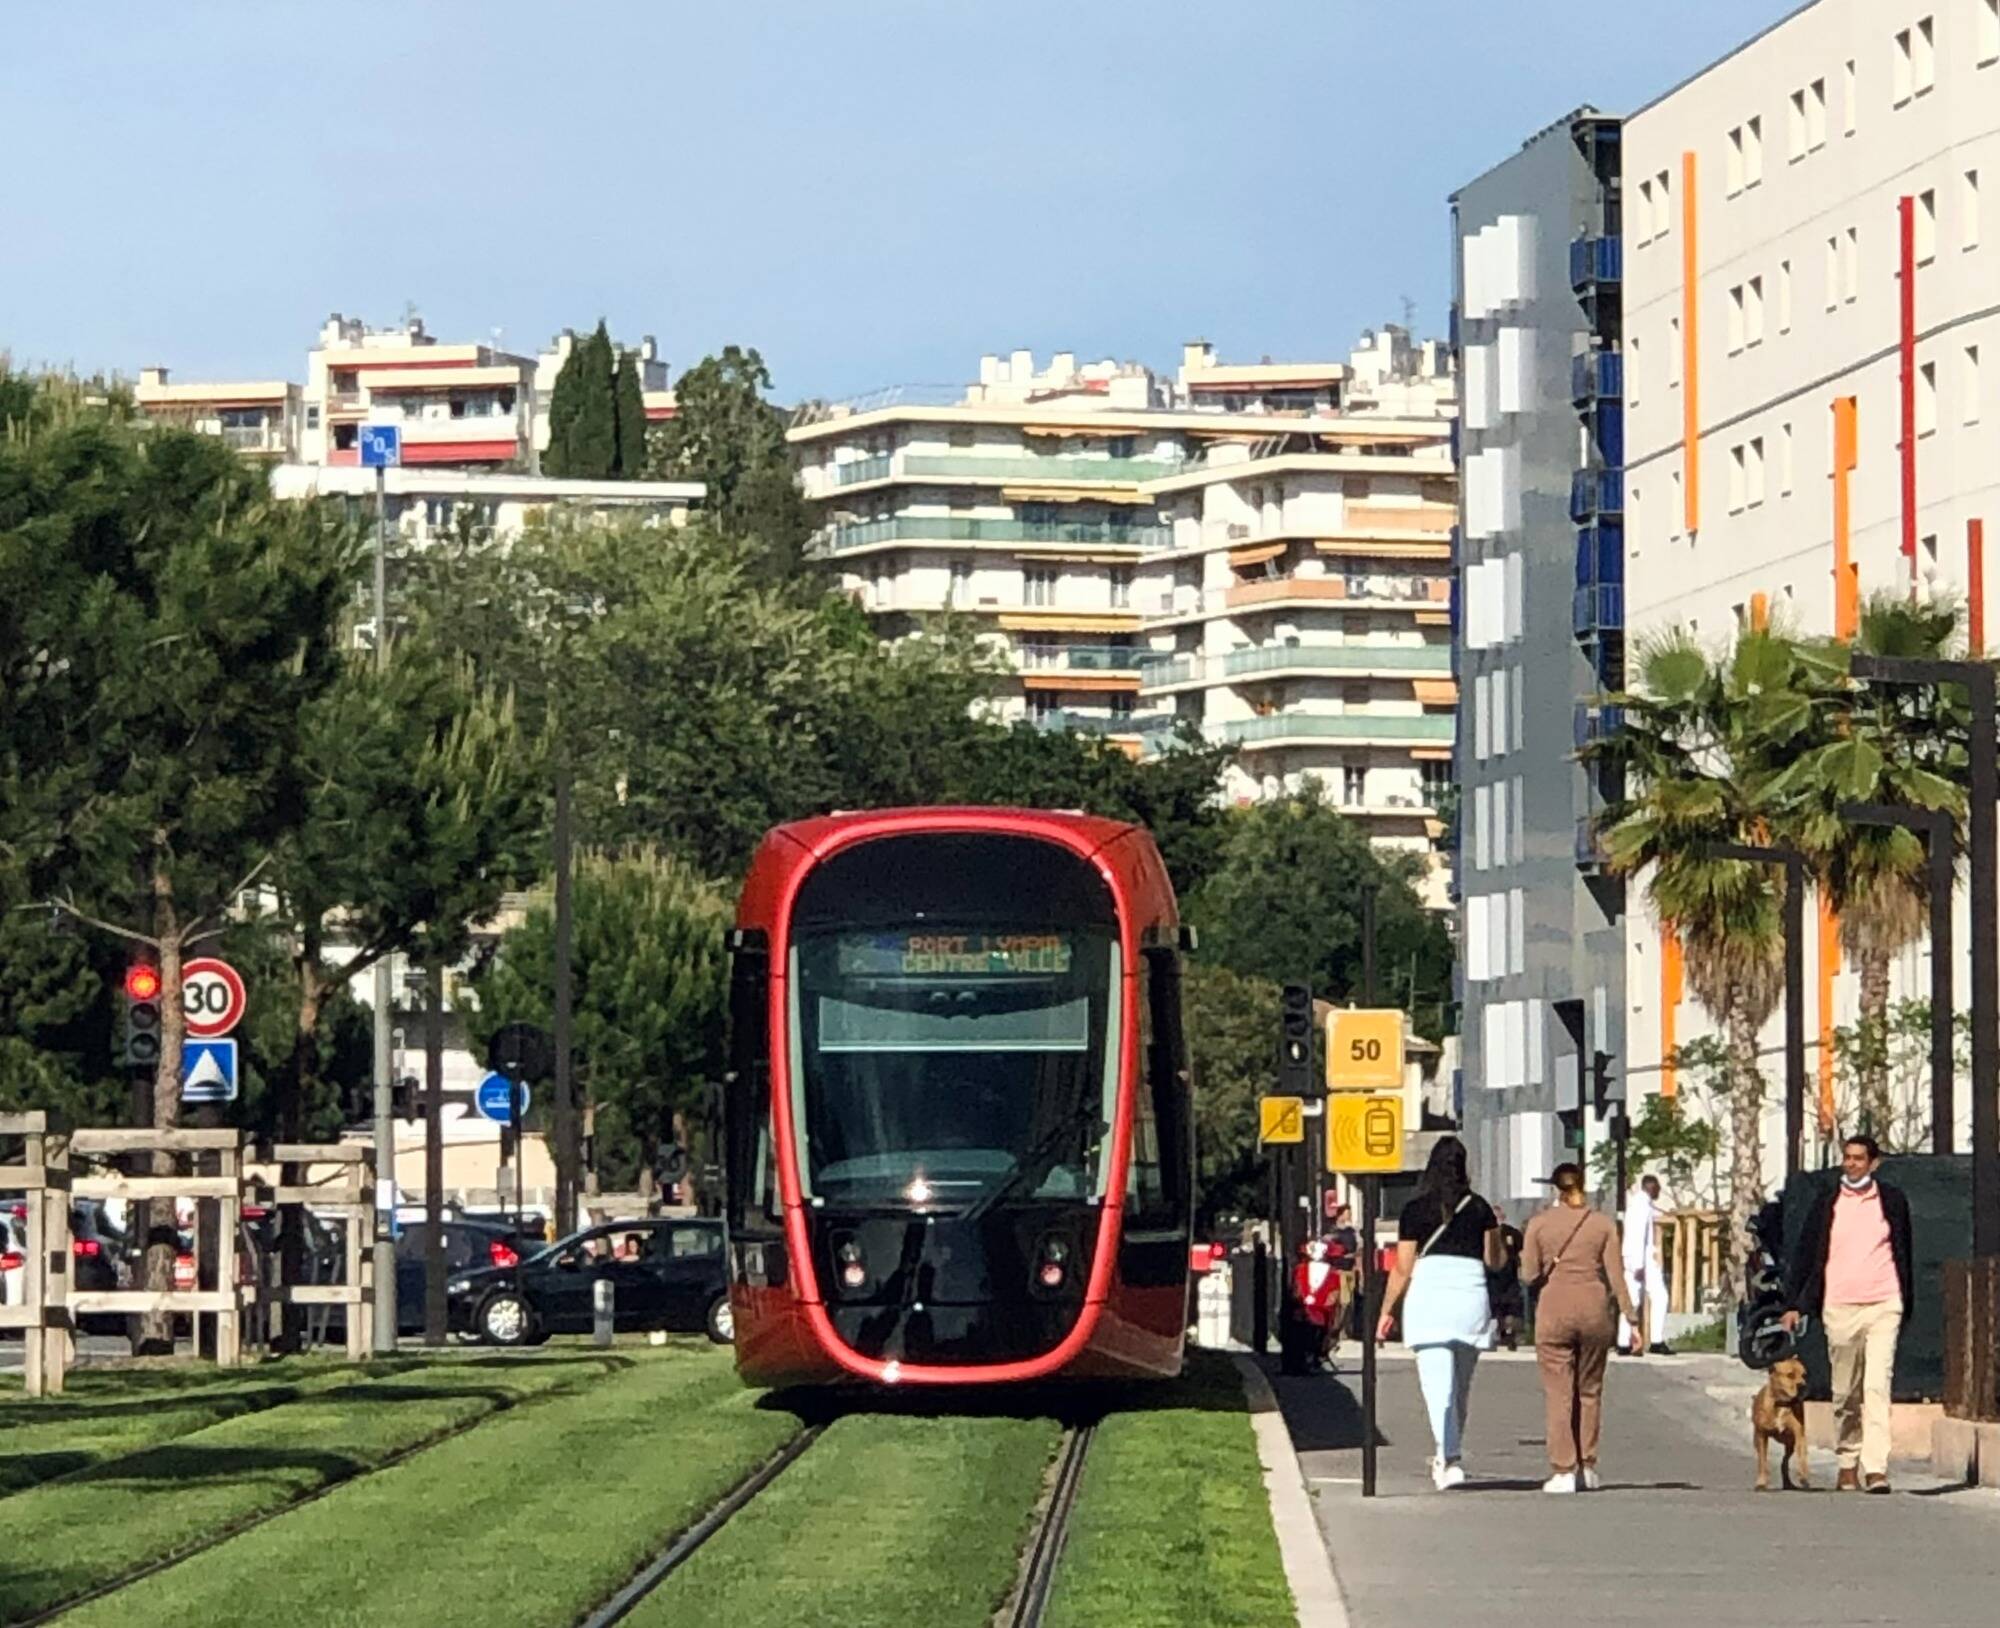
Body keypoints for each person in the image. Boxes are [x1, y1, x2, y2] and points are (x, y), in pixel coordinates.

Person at [1781, 1133, 1914, 1493]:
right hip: (1839, 1305)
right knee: (1845, 1391)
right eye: (1848, 1157)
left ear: (1874, 1163)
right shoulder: (1828, 1203)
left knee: (1876, 1386)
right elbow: (1808, 1254)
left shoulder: (1891, 1201)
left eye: (1859, 1158)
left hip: (1884, 1303)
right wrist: (1794, 1304)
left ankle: (1875, 1468)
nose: (1852, 1164)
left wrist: (1904, 1298)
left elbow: (1904, 1250)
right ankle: (1846, 1461)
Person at [1376, 1136, 1505, 1490]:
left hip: (1429, 1296)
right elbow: (1495, 1261)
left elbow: (1402, 1268)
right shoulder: (1480, 1209)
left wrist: (1387, 1310)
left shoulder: (1415, 1209)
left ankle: (1447, 1456)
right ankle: (1449, 1453)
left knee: (1438, 1387)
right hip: (1469, 1296)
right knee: (1461, 1387)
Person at [1521, 1164, 1643, 1493]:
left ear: (1555, 1189)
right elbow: (1617, 1276)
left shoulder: (1539, 1224)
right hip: (1594, 1309)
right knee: (1589, 1391)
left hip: (1554, 1309)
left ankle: (1563, 1468)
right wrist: (1632, 1319)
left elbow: (1529, 1274)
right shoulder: (1602, 1225)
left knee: (1559, 1392)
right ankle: (1587, 1465)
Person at [1619, 1174, 1674, 1356]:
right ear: (1651, 1187)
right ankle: (1656, 1340)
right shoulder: (1641, 1206)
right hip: (1642, 1259)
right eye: (1657, 1188)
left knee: (1632, 1300)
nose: (1659, 1191)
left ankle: (1623, 1341)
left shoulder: (1638, 1204)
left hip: (1634, 1258)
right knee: (1659, 1297)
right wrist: (1639, 1264)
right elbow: (1638, 1235)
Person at [1486, 1203, 1525, 1352]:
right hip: (1491, 1278)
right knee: (1494, 1309)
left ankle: (1510, 1336)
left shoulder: (1512, 1233)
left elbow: (1521, 1253)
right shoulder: (1485, 1233)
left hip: (1510, 1278)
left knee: (1512, 1308)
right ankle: (1497, 1334)